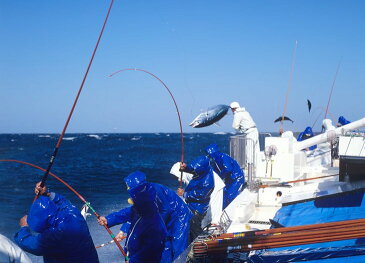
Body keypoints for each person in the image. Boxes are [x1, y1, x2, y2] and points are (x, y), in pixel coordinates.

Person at [98, 171, 189, 262]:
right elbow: (132, 211)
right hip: (164, 216)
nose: (127, 188)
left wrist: (153, 228)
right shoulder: (142, 194)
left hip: (179, 215)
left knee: (177, 245)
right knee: (161, 244)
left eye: (128, 186)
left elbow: (165, 211)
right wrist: (109, 220)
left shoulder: (153, 195)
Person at [14, 182, 99, 263]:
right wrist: (46, 193)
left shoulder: (54, 236)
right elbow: (63, 202)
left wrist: (24, 228)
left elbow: (32, 245)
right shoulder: (73, 213)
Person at [179, 156, 214, 242]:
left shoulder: (208, 182)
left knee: (194, 227)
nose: (195, 171)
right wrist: (186, 167)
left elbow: (199, 196)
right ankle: (192, 243)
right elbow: (194, 169)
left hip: (198, 208)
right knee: (189, 227)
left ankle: (202, 246)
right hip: (192, 205)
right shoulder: (203, 170)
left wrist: (184, 194)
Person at [205, 143, 245, 209]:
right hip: (229, 179)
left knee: (230, 195)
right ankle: (222, 210)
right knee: (223, 194)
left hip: (236, 178)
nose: (208, 157)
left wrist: (221, 176)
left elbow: (228, 169)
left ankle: (229, 210)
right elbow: (216, 172)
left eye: (209, 155)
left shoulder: (223, 157)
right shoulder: (215, 161)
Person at [230, 102, 260, 166]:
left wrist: (240, 129)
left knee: (249, 150)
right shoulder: (245, 112)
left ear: (233, 109)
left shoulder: (237, 114)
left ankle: (250, 166)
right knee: (256, 150)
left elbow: (235, 126)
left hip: (250, 133)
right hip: (255, 131)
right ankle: (257, 165)